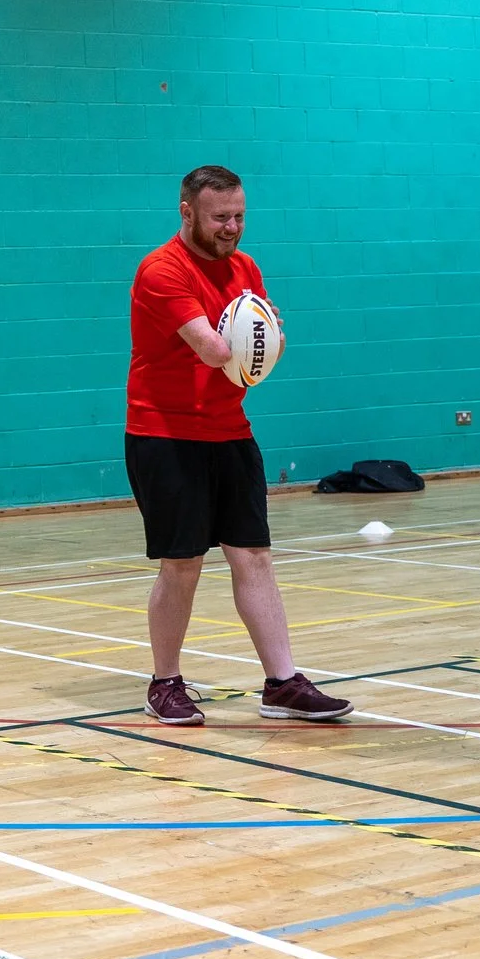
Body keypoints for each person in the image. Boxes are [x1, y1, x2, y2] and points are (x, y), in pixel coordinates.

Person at [125, 165, 353, 726]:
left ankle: (282, 684)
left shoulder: (246, 267)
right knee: (182, 564)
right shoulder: (161, 270)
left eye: (239, 216)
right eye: (219, 217)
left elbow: (268, 347)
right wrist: (259, 332)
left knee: (253, 556)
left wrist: (267, 334)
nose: (231, 227)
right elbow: (214, 350)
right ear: (187, 213)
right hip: (164, 435)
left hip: (230, 431)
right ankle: (164, 683)